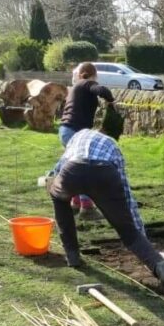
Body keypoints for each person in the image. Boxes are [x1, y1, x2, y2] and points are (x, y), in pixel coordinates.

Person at [48, 127, 164, 294]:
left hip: (74, 169)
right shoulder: (113, 146)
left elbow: (60, 166)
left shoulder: (78, 136)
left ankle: (72, 256)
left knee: (59, 198)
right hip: (105, 174)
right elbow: (126, 193)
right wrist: (136, 230)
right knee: (127, 230)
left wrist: (54, 181)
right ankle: (160, 266)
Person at [59, 63, 115, 217]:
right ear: (93, 74)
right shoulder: (86, 84)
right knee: (84, 167)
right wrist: (111, 101)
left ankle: (75, 203)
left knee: (75, 166)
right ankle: (87, 207)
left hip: (66, 130)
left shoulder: (77, 87)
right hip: (74, 131)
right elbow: (102, 90)